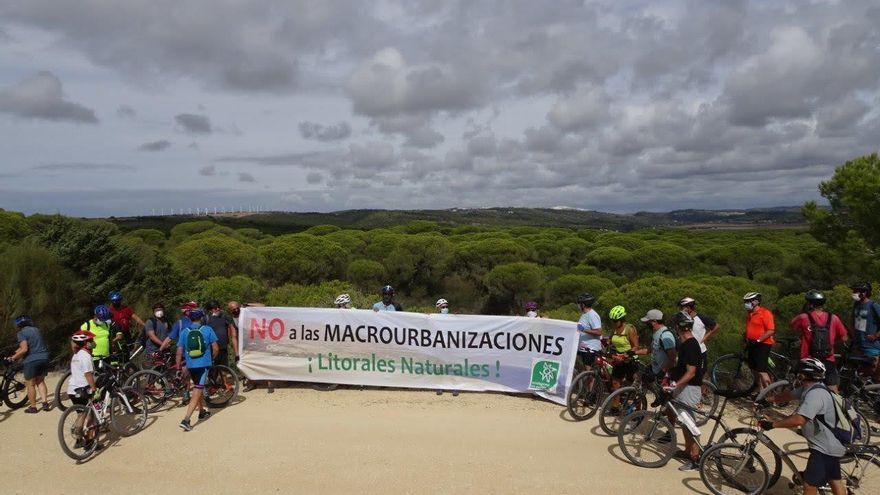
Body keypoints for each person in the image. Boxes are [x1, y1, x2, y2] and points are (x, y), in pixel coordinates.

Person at [759, 358, 846, 495]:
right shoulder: (811, 388)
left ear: (804, 375)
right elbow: (787, 396)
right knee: (834, 480)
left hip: (824, 449)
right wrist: (766, 400)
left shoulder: (815, 395)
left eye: (799, 372)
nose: (797, 375)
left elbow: (799, 420)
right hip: (829, 445)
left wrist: (772, 424)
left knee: (809, 485)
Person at [665, 312, 703, 471]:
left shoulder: (691, 345)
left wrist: (675, 384)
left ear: (678, 327)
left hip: (689, 388)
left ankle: (696, 459)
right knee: (684, 421)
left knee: (689, 424)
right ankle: (688, 451)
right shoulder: (686, 344)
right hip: (684, 387)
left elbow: (691, 372)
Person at [790, 290, 848, 391]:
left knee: (807, 389)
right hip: (828, 358)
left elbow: (792, 326)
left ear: (810, 304)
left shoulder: (803, 317)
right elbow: (844, 337)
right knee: (832, 389)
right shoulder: (834, 318)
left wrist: (803, 311)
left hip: (809, 359)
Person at [176, 309, 219, 431]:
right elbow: (216, 348)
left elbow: (179, 351)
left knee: (197, 387)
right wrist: (211, 359)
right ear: (202, 318)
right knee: (197, 389)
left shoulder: (184, 332)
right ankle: (186, 420)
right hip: (203, 364)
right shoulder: (207, 329)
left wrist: (178, 367)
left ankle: (201, 412)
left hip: (191, 365)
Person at [7, 316, 51, 413]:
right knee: (40, 381)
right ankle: (45, 403)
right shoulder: (36, 330)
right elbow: (30, 345)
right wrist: (14, 354)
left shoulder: (21, 333)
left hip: (31, 360)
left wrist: (13, 358)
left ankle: (33, 407)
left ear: (18, 325)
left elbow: (24, 349)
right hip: (44, 357)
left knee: (30, 384)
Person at [67, 331, 99, 449]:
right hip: (83, 389)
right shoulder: (85, 356)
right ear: (86, 343)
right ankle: (89, 442)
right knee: (90, 415)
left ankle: (78, 439)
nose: (93, 343)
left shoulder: (76, 355)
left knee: (81, 414)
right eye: (91, 341)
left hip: (72, 389)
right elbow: (88, 374)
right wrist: (94, 389)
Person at [743, 291, 775, 392]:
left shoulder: (765, 313)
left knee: (761, 370)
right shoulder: (750, 313)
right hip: (752, 343)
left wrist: (758, 340)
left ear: (756, 301)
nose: (746, 303)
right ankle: (760, 391)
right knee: (754, 369)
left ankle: (770, 394)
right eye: (745, 301)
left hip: (763, 344)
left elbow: (771, 330)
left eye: (748, 301)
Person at [678, 297, 719, 370]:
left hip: (699, 351)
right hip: (685, 351)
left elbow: (716, 326)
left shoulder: (701, 317)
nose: (680, 310)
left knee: (699, 373)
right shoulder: (681, 319)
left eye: (682, 308)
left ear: (688, 308)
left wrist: (705, 337)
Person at [851, 282, 880, 380]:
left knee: (874, 376)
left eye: (857, 291)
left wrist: (875, 336)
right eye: (854, 291)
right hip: (858, 347)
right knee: (860, 376)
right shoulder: (856, 305)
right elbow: (853, 322)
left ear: (865, 292)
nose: (855, 293)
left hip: (871, 348)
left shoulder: (873, 306)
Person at [608, 305, 639, 390]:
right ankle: (616, 399)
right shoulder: (614, 329)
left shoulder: (629, 329)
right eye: (612, 320)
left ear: (621, 320)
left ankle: (635, 398)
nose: (613, 323)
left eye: (615, 321)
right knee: (615, 382)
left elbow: (636, 346)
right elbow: (610, 341)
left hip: (630, 359)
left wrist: (626, 355)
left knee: (630, 385)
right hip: (618, 359)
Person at [643, 309, 676, 380]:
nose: (646, 324)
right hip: (656, 371)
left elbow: (672, 358)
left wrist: (663, 371)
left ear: (654, 322)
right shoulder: (656, 333)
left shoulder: (665, 336)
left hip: (664, 375)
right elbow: (650, 349)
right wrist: (633, 352)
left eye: (648, 322)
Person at [204, 300, 237, 367]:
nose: (218, 309)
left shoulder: (224, 316)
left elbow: (231, 328)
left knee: (224, 368)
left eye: (218, 307)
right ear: (210, 310)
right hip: (211, 349)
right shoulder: (206, 319)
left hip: (223, 348)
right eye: (215, 308)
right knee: (213, 369)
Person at [576, 293, 602, 370]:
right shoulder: (584, 314)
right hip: (583, 347)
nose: (578, 305)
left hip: (590, 348)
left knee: (589, 371)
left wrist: (583, 329)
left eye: (579, 304)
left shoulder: (592, 315)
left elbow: (599, 332)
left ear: (583, 305)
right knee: (581, 369)